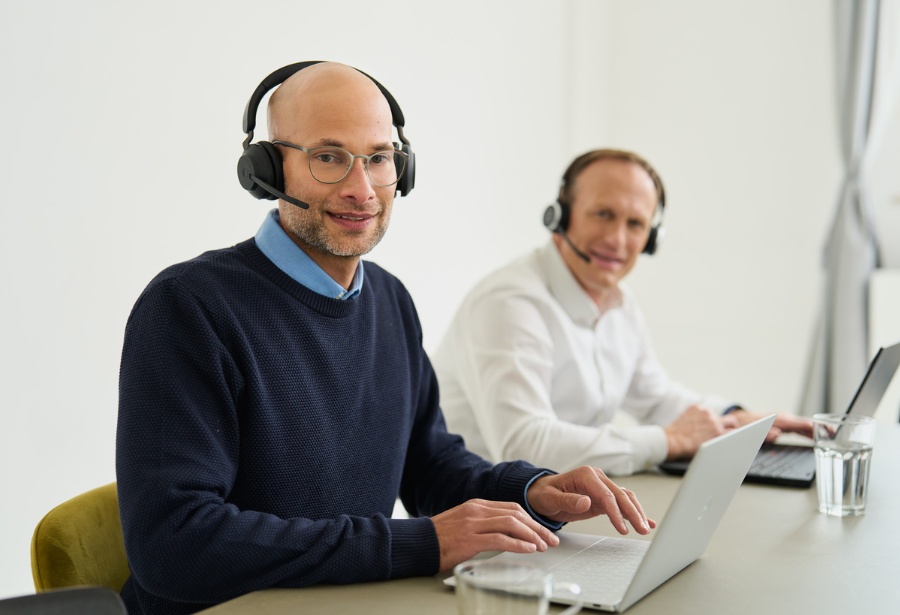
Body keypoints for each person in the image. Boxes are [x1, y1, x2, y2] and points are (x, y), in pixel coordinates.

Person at [115, 64, 655, 615]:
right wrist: (422, 543)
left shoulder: (389, 301)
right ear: (267, 171)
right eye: (329, 157)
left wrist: (530, 491)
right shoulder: (189, 306)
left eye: (378, 158)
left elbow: (428, 466)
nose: (362, 188)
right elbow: (173, 544)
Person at [432, 148, 812, 477]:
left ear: (651, 238)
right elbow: (525, 446)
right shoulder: (510, 302)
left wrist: (735, 419)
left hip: (555, 507)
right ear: (560, 216)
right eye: (603, 214)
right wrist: (668, 441)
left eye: (635, 224)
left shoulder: (619, 303)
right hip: (482, 523)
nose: (617, 240)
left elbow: (655, 397)